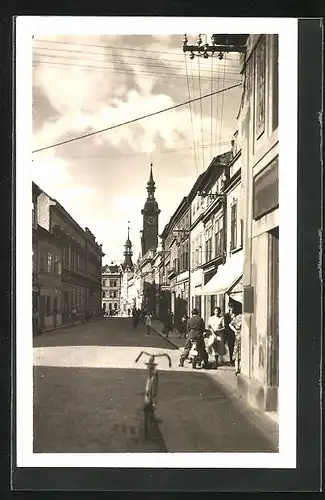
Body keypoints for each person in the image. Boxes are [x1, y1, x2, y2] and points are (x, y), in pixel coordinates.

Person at [229, 303, 242, 375]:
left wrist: (235, 331)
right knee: (241, 352)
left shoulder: (237, 317)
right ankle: (239, 368)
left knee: (237, 352)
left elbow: (230, 324)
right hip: (242, 334)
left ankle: (237, 369)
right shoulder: (242, 317)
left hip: (238, 335)